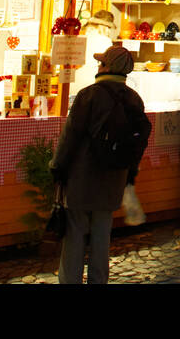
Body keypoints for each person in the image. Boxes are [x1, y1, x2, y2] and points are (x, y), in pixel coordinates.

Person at [52, 44, 151, 284]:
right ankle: (99, 280)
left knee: (74, 233)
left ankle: (70, 281)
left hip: (82, 175)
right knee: (102, 234)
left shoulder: (89, 95)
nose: (98, 65)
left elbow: (71, 136)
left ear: (107, 66)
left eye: (101, 62)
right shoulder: (134, 98)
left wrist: (58, 166)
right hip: (113, 176)